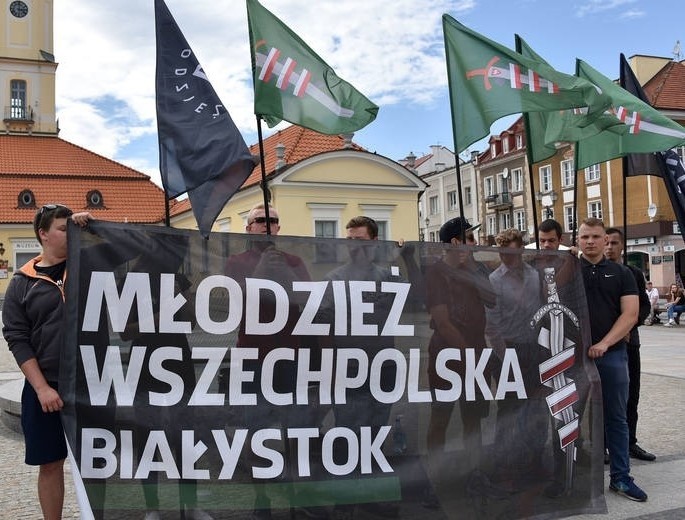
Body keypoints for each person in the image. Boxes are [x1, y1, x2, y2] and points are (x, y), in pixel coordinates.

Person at [224, 203, 313, 520]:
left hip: (288, 355)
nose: (266, 225)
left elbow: (306, 300)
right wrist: (261, 271)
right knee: (255, 425)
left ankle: (292, 493)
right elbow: (233, 303)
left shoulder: (293, 261)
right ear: (248, 229)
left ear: (278, 227)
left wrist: (284, 272)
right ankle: (261, 495)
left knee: (294, 426)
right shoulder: (236, 262)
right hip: (253, 356)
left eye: (272, 220)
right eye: (259, 220)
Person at [2, 204, 91, 520]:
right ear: (43, 234)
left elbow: (129, 252)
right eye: (63, 229)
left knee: (100, 460)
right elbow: (16, 337)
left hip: (90, 382)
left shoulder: (89, 267)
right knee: (51, 462)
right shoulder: (22, 283)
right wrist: (41, 388)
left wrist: (93, 228)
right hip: (46, 387)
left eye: (72, 229)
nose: (70, 235)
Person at [423, 217, 495, 508]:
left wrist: (472, 274)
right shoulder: (436, 273)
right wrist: (468, 355)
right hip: (447, 354)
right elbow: (442, 321)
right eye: (470, 238)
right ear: (455, 242)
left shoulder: (476, 268)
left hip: (476, 350)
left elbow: (492, 300)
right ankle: (434, 479)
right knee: (440, 416)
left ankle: (473, 473)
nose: (475, 243)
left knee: (473, 418)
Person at [577, 218, 647, 502]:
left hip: (613, 355)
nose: (590, 241)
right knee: (569, 418)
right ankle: (567, 478)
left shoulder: (622, 273)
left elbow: (630, 314)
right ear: (578, 240)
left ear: (606, 240)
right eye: (585, 237)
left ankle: (620, 477)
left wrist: (604, 344)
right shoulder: (567, 270)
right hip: (572, 359)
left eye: (596, 236)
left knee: (616, 418)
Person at [485, 229, 546, 492]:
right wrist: (505, 357)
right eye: (501, 253)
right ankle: (503, 467)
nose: (505, 258)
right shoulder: (494, 279)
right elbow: (492, 325)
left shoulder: (535, 277)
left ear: (520, 250)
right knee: (508, 412)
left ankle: (533, 462)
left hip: (533, 349)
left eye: (510, 253)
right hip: (506, 351)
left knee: (535, 408)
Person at [604, 228, 655, 463]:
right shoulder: (596, 272)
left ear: (622, 246)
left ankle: (630, 441)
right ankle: (604, 444)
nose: (610, 247)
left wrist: (629, 328)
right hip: (604, 344)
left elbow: (643, 306)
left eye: (614, 243)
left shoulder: (633, 273)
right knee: (604, 397)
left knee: (631, 395)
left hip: (630, 343)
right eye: (607, 242)